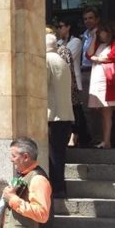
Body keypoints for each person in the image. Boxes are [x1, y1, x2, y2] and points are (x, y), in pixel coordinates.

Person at [87, 22, 115, 149]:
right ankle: (106, 141)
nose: (100, 34)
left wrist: (97, 59)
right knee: (105, 112)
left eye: (101, 31)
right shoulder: (99, 44)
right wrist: (94, 38)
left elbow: (114, 55)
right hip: (101, 83)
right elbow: (88, 54)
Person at [46, 33, 74, 197]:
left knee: (53, 156)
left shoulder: (46, 60)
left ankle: (57, 189)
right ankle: (60, 188)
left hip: (53, 116)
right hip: (66, 115)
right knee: (59, 155)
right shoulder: (62, 61)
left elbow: (41, 86)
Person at [56, 19, 86, 147]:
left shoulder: (76, 41)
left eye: (61, 26)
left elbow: (67, 57)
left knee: (75, 109)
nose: (59, 29)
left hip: (73, 82)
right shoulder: (58, 43)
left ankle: (75, 135)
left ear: (68, 27)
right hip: (61, 82)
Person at [80, 7, 101, 144]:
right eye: (85, 19)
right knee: (87, 108)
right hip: (84, 72)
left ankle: (101, 138)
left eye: (90, 18)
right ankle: (93, 138)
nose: (87, 21)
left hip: (96, 71)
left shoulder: (101, 33)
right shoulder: (84, 35)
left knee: (98, 107)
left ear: (97, 19)